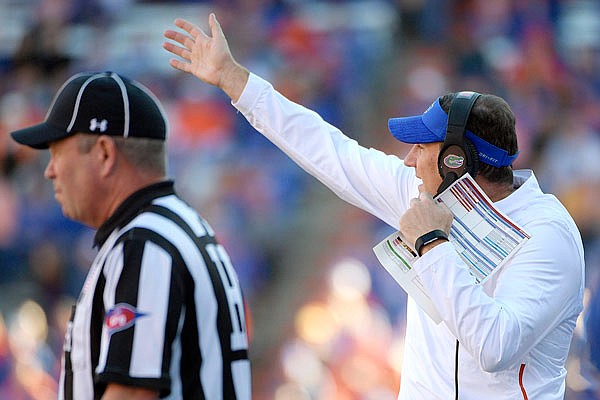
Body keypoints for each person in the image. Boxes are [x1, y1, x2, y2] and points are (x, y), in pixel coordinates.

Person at [163, 14, 585, 400]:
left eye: (422, 147)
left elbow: (495, 346)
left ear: (456, 160)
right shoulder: (428, 193)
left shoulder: (549, 237)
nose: (408, 160)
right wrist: (234, 80)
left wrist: (434, 244)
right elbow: (330, 150)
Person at [9, 71, 251, 400]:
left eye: (56, 152)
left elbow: (133, 394)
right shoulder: (179, 227)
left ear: (105, 154)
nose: (49, 170)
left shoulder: (145, 243)